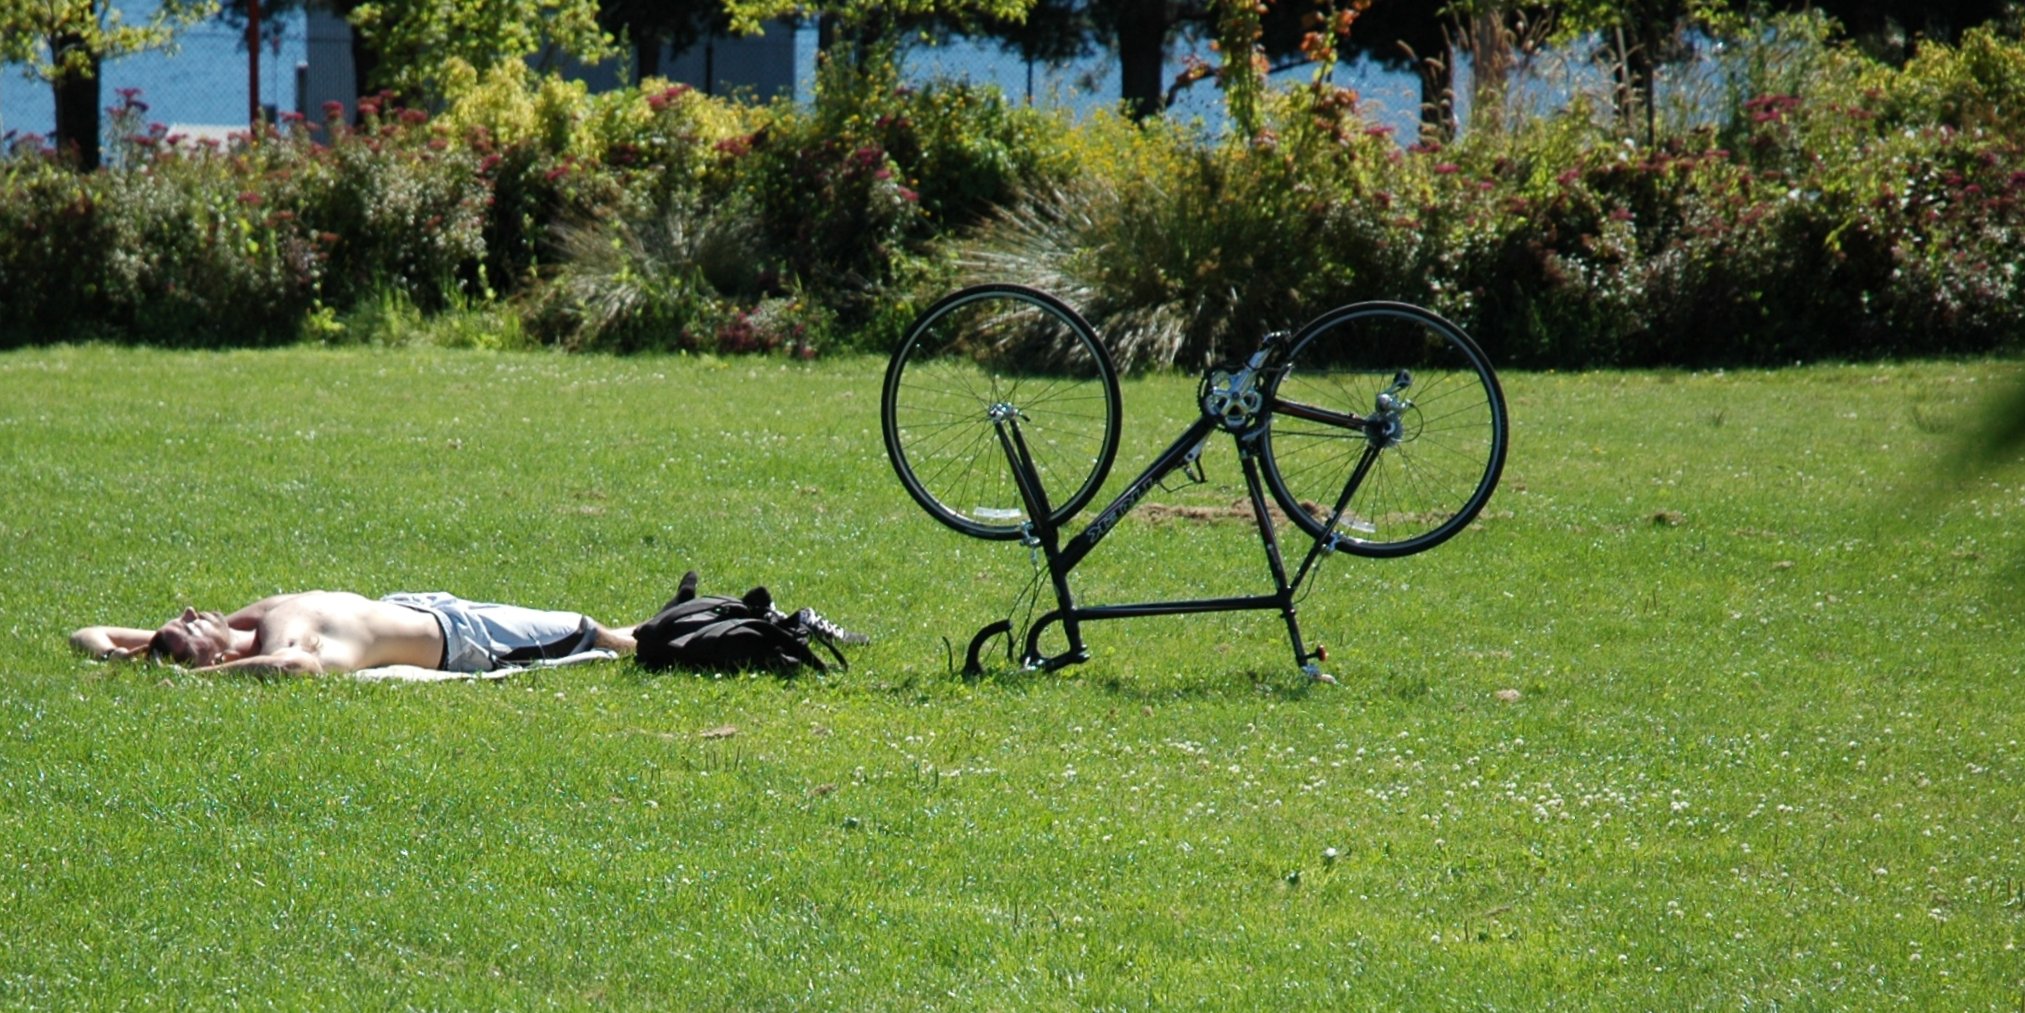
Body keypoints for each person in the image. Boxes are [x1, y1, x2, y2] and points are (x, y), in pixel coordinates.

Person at [70, 590, 642, 678]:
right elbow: (296, 668)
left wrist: (123, 656)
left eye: (183, 614)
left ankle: (687, 616)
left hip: (421, 604)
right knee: (598, 636)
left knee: (598, 629)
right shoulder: (278, 642)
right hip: (464, 637)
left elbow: (85, 633)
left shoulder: (240, 629)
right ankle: (695, 629)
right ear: (205, 660)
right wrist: (193, 683)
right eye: (188, 627)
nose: (193, 612)